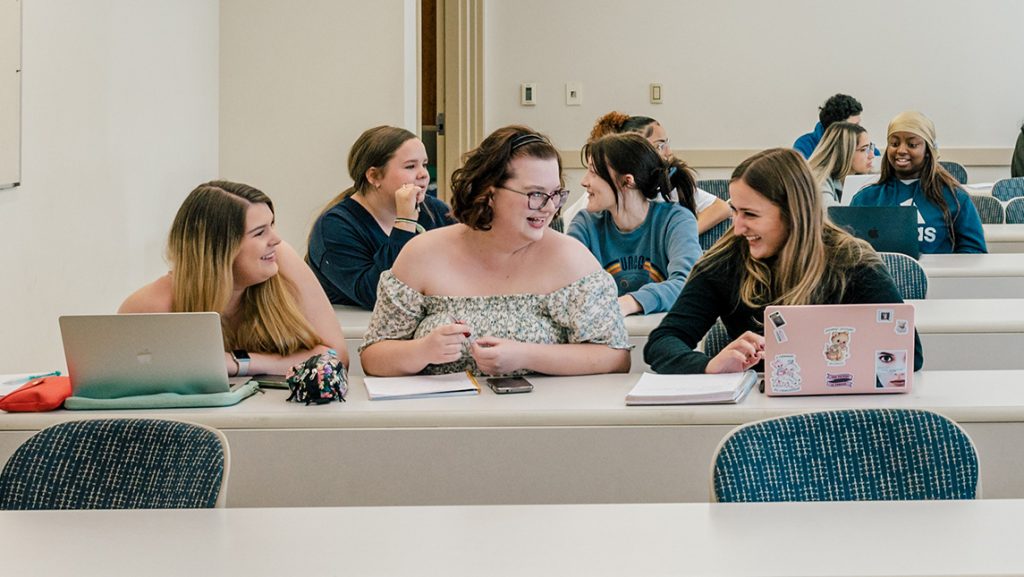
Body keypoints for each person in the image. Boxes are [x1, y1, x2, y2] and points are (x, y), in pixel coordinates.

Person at [359, 126, 631, 377]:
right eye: (535, 194)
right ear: (489, 193)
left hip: (542, 420)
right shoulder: (422, 254)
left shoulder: (571, 259)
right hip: (440, 420)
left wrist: (527, 356)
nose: (549, 207)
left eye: (556, 194)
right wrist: (421, 351)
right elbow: (372, 356)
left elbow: (616, 356)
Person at [643, 148, 923, 375]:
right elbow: (663, 342)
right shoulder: (726, 261)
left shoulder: (852, 261)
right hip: (753, 411)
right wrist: (707, 365)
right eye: (735, 212)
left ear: (793, 214)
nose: (738, 228)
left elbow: (910, 353)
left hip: (841, 404)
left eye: (750, 215)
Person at [119, 180, 348, 376]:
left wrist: (238, 362)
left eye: (272, 225)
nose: (276, 239)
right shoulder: (150, 306)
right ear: (219, 249)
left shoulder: (281, 260)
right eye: (260, 232)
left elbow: (336, 357)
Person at [307, 126, 457, 310]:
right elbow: (378, 296)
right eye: (411, 166)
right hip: (354, 331)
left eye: (424, 164)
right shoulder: (335, 227)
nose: (423, 174)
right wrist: (405, 222)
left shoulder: (434, 211)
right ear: (374, 176)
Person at [568, 133, 702, 316]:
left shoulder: (676, 220)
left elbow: (689, 284)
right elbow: (565, 287)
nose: (584, 182)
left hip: (659, 335)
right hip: (598, 339)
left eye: (593, 172)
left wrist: (628, 303)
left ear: (627, 181)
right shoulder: (584, 224)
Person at [570, 112, 731, 234]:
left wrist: (680, 237)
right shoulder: (591, 206)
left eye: (667, 143)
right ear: (637, 150)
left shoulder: (670, 189)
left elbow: (722, 208)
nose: (668, 152)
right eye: (659, 146)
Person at [850, 111, 987, 254]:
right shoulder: (865, 198)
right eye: (894, 143)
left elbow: (974, 253)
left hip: (937, 276)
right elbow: (849, 253)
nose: (901, 150)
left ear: (928, 150)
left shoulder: (955, 198)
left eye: (912, 144)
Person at [807, 121, 874, 205]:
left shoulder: (857, 176)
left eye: (871, 147)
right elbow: (832, 212)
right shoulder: (819, 176)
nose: (872, 155)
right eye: (863, 149)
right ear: (844, 152)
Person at [793, 94, 872, 159]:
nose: (859, 130)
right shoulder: (804, 146)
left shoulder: (861, 142)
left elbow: (876, 159)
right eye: (854, 126)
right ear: (835, 129)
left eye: (858, 124)